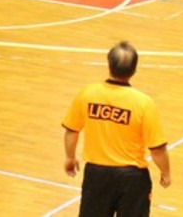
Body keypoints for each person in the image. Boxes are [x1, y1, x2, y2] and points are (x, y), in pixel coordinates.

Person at [62, 41, 171, 217]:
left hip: (96, 175)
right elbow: (157, 149)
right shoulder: (143, 103)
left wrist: (70, 157)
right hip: (132, 179)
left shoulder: (88, 94)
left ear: (109, 64)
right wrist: (165, 172)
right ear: (134, 69)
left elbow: (71, 130)